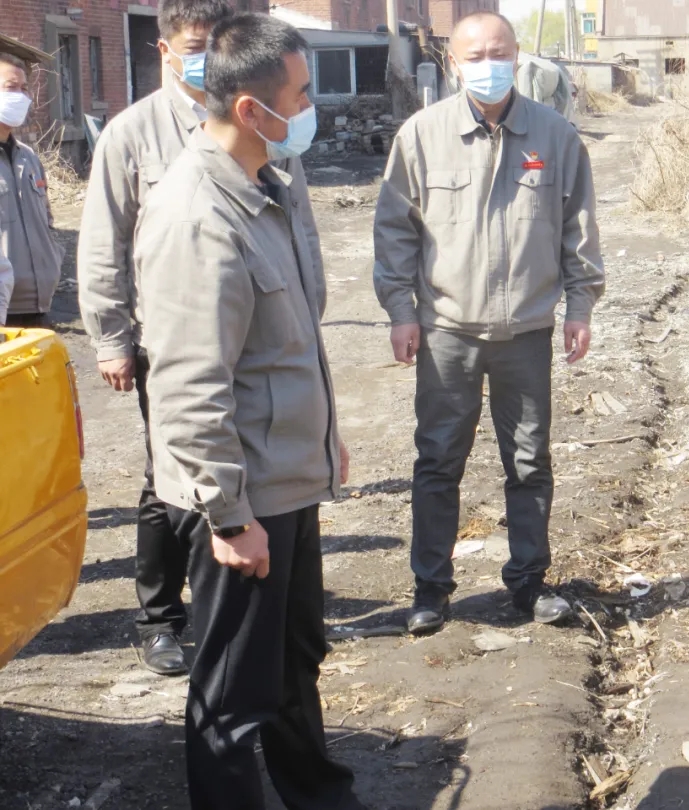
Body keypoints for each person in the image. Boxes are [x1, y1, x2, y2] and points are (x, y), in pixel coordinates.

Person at [133, 13, 362, 810]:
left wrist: (324, 442)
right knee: (233, 691)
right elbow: (190, 384)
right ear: (249, 109)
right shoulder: (197, 213)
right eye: (299, 95)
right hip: (240, 496)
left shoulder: (271, 185)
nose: (309, 109)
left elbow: (286, 345)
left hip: (285, 476)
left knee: (295, 659)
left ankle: (318, 794)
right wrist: (229, 517)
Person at [77, 0, 323, 677]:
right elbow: (104, 245)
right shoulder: (137, 137)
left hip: (262, 335)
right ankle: (162, 616)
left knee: (281, 640)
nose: (208, 55)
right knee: (174, 483)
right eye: (195, 45)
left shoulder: (268, 139)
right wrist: (111, 336)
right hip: (179, 340)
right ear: (164, 50)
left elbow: (298, 232)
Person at [373, 10, 605, 636]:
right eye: (474, 56)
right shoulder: (421, 136)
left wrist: (580, 306)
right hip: (446, 331)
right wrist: (401, 311)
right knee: (437, 462)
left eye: (499, 53)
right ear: (453, 62)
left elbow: (579, 228)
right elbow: (394, 232)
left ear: (518, 56)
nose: (488, 65)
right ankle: (431, 589)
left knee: (529, 461)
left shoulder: (555, 136)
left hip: (526, 332)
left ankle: (528, 583)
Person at [0, 52, 63, 329]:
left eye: (24, 88)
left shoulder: (28, 157)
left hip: (39, 306)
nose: (21, 96)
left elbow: (46, 219)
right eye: (11, 87)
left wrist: (53, 259)